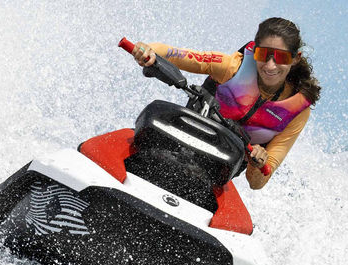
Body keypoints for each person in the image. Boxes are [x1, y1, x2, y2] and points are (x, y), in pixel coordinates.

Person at [128, 17, 321, 189]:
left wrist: (260, 163)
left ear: (295, 59)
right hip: (177, 142)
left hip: (212, 175)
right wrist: (148, 50)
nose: (270, 66)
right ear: (255, 52)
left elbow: (257, 183)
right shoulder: (231, 67)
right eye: (263, 55)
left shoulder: (297, 113)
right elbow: (176, 54)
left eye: (281, 57)